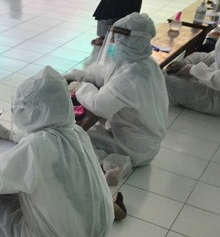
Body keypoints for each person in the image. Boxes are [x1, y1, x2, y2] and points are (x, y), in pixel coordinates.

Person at [0, 66, 114, 237]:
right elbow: (48, 138)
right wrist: (12, 135)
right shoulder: (76, 132)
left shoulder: (37, 147)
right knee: (29, 186)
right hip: (97, 235)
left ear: (35, 110)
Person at [67, 13, 168, 184]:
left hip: (133, 146)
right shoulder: (143, 63)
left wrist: (79, 87)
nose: (113, 43)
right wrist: (73, 76)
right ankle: (111, 162)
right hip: (141, 140)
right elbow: (102, 72)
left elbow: (99, 105)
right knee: (86, 134)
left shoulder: (132, 76)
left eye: (117, 38)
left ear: (129, 40)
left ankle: (115, 165)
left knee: (73, 139)